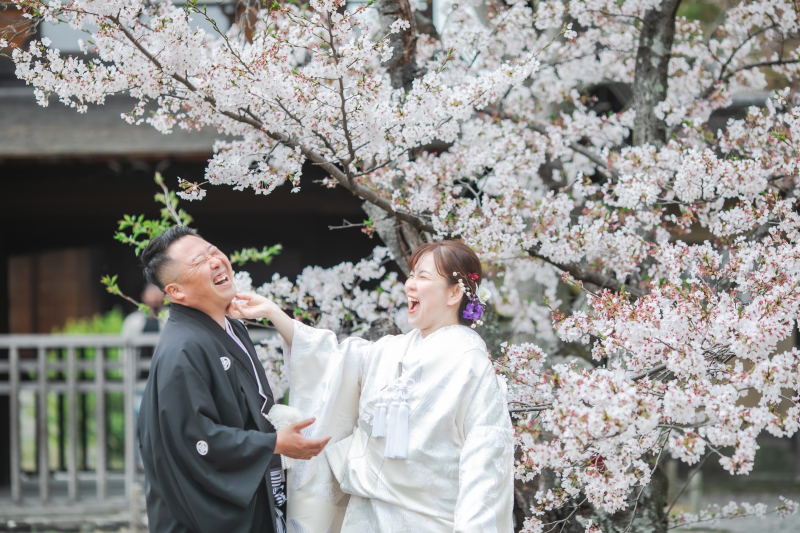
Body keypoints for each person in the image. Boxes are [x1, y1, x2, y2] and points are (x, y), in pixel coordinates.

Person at [228, 241, 514, 533]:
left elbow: (486, 461)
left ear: (454, 293)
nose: (409, 284)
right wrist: (275, 314)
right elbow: (333, 361)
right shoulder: (391, 350)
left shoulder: (470, 364)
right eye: (411, 275)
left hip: (432, 521)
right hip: (368, 517)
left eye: (423, 277)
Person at [137, 226, 330, 533]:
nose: (215, 261)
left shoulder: (232, 326)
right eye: (199, 261)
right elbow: (194, 440)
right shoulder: (182, 350)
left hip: (257, 490)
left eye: (213, 251)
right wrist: (274, 443)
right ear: (176, 292)